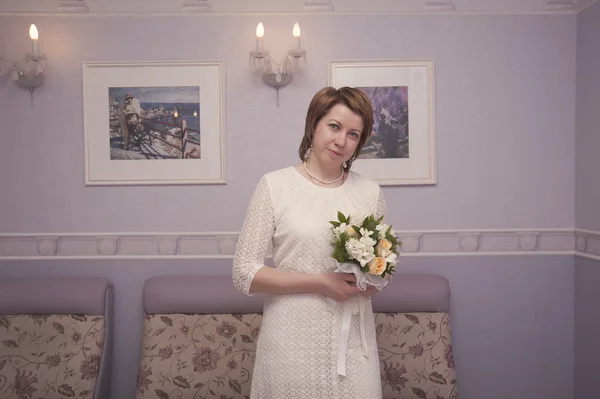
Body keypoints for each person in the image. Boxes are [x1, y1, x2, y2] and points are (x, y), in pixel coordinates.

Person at [232, 87, 388, 399]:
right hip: (290, 345)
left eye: (353, 134)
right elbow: (244, 273)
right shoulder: (274, 186)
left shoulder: (370, 193)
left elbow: (381, 274)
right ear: (313, 124)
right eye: (334, 126)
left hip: (354, 345)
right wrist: (320, 283)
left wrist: (367, 282)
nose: (341, 140)